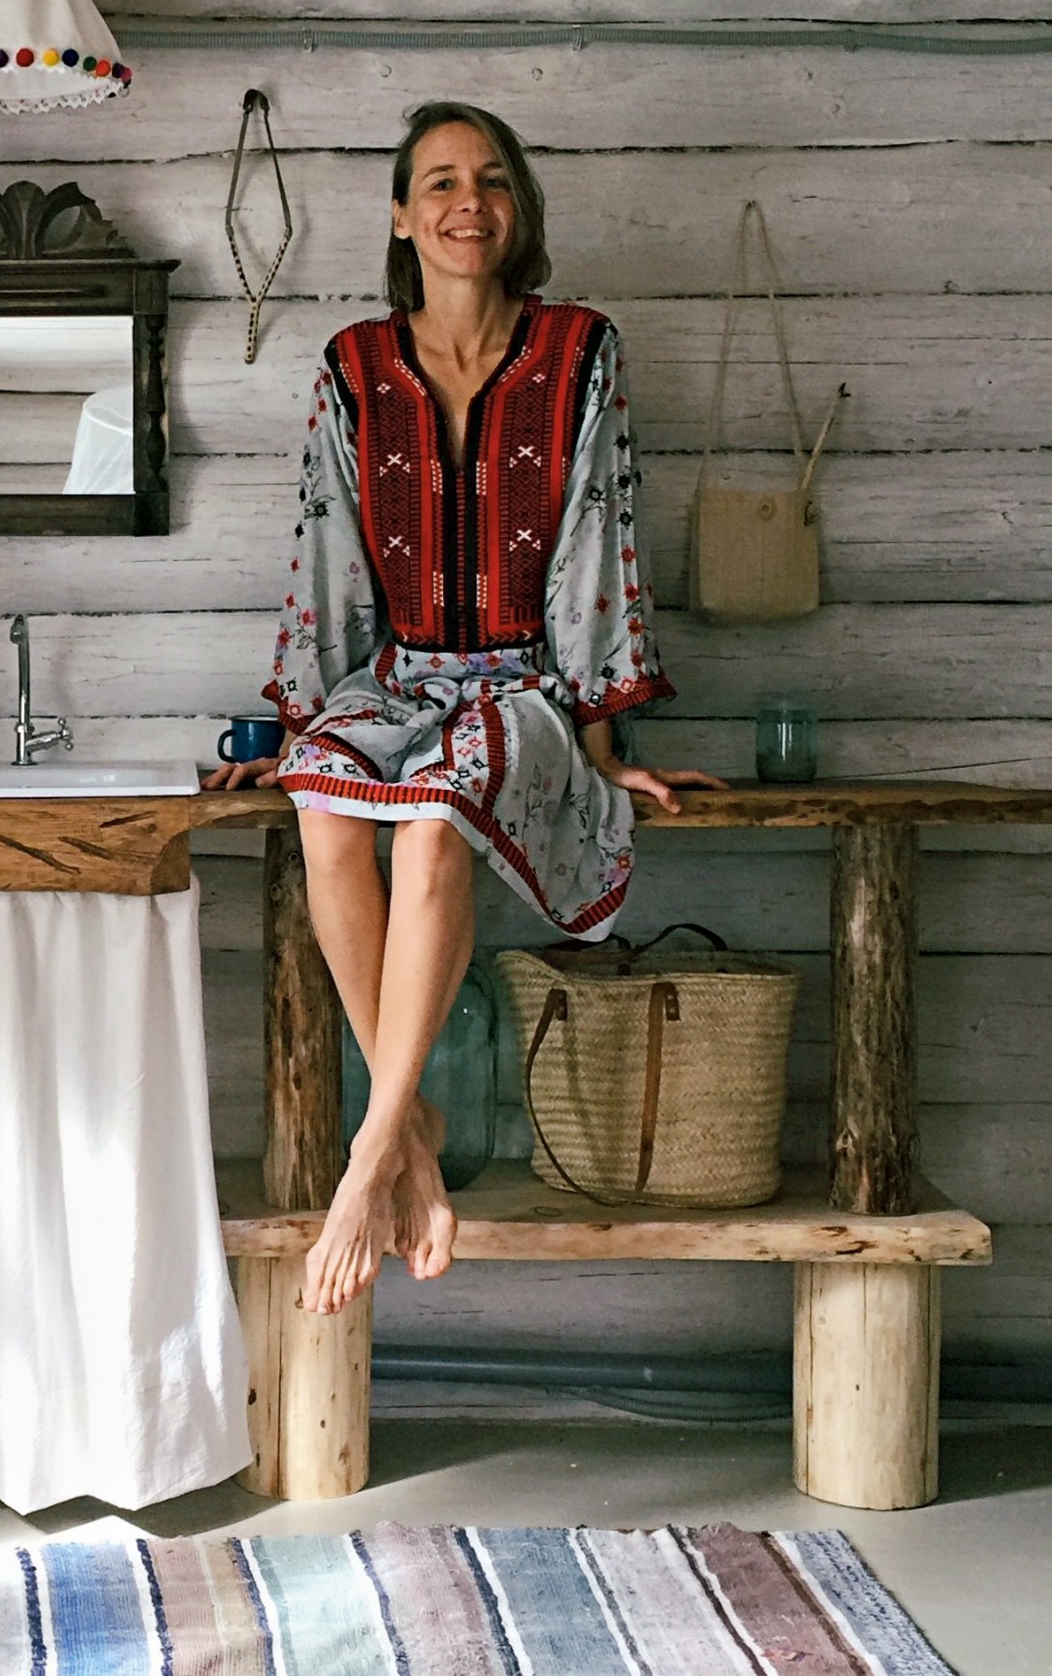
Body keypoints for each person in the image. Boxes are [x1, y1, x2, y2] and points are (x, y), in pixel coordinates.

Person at [205, 102, 725, 1319]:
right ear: (401, 215)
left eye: (489, 180)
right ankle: (413, 1134)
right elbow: (329, 550)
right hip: (393, 679)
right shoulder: (352, 363)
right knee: (324, 801)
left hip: (522, 684)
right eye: (437, 181)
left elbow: (598, 534)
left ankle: (367, 1154)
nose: (465, 202)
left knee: (433, 820)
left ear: (515, 209)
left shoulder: (579, 349)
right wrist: (302, 729)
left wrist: (598, 738)